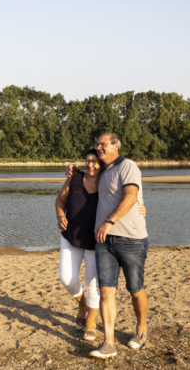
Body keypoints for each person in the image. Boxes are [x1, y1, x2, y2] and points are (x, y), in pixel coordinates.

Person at [89, 132, 149, 360]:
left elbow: (132, 195)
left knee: (135, 289)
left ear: (116, 146)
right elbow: (87, 176)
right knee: (106, 290)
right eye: (97, 145)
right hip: (104, 241)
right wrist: (71, 172)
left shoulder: (128, 166)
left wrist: (109, 221)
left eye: (102, 144)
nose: (99, 148)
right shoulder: (104, 171)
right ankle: (109, 343)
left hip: (131, 239)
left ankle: (141, 329)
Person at [55, 148, 102, 341]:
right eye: (87, 160)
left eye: (95, 161)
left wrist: (140, 206)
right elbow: (60, 200)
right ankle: (82, 304)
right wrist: (59, 216)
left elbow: (127, 193)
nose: (90, 164)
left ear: (102, 164)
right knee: (66, 278)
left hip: (94, 240)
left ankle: (91, 320)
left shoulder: (107, 181)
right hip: (70, 237)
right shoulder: (75, 177)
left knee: (93, 283)